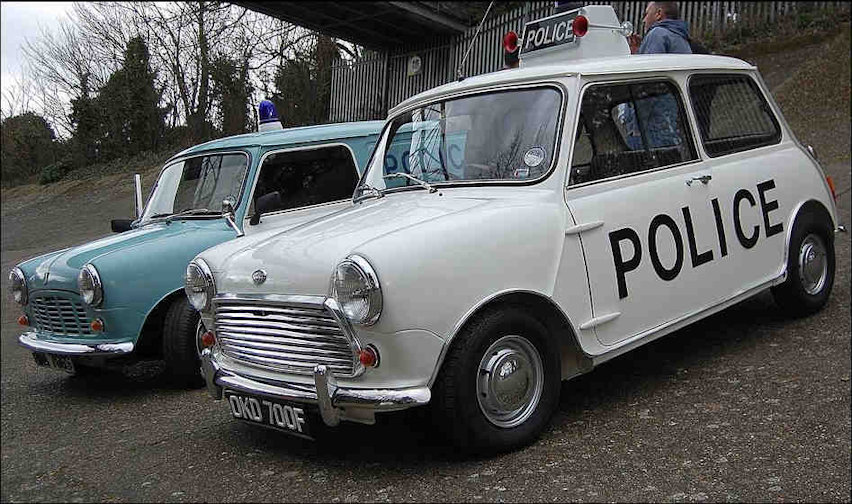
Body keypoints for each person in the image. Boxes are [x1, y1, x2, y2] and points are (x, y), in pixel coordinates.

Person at [628, 2, 692, 55]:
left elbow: (650, 66)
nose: (644, 20)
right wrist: (639, 51)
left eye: (646, 14)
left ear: (658, 14)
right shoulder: (681, 36)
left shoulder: (657, 33)